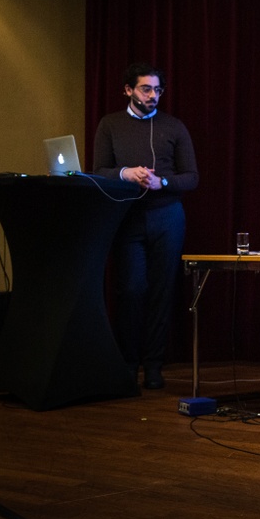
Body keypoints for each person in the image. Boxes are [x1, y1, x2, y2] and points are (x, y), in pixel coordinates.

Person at [94, 62, 199, 389]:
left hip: (167, 215)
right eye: (146, 89)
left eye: (157, 90)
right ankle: (128, 363)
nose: (153, 96)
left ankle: (154, 365)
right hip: (127, 218)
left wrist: (162, 181)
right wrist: (126, 173)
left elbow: (192, 177)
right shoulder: (110, 124)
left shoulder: (174, 126)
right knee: (131, 290)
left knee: (161, 291)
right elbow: (99, 170)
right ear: (128, 90)